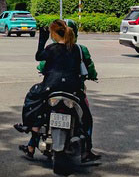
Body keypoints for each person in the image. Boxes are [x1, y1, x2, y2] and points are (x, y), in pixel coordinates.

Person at [15, 18, 99, 162]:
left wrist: (42, 39)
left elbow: (40, 62)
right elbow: (89, 68)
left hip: (51, 87)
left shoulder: (51, 49)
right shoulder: (79, 49)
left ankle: (30, 143)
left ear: (54, 34)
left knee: (36, 109)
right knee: (86, 118)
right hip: (73, 89)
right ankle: (86, 151)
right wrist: (93, 76)